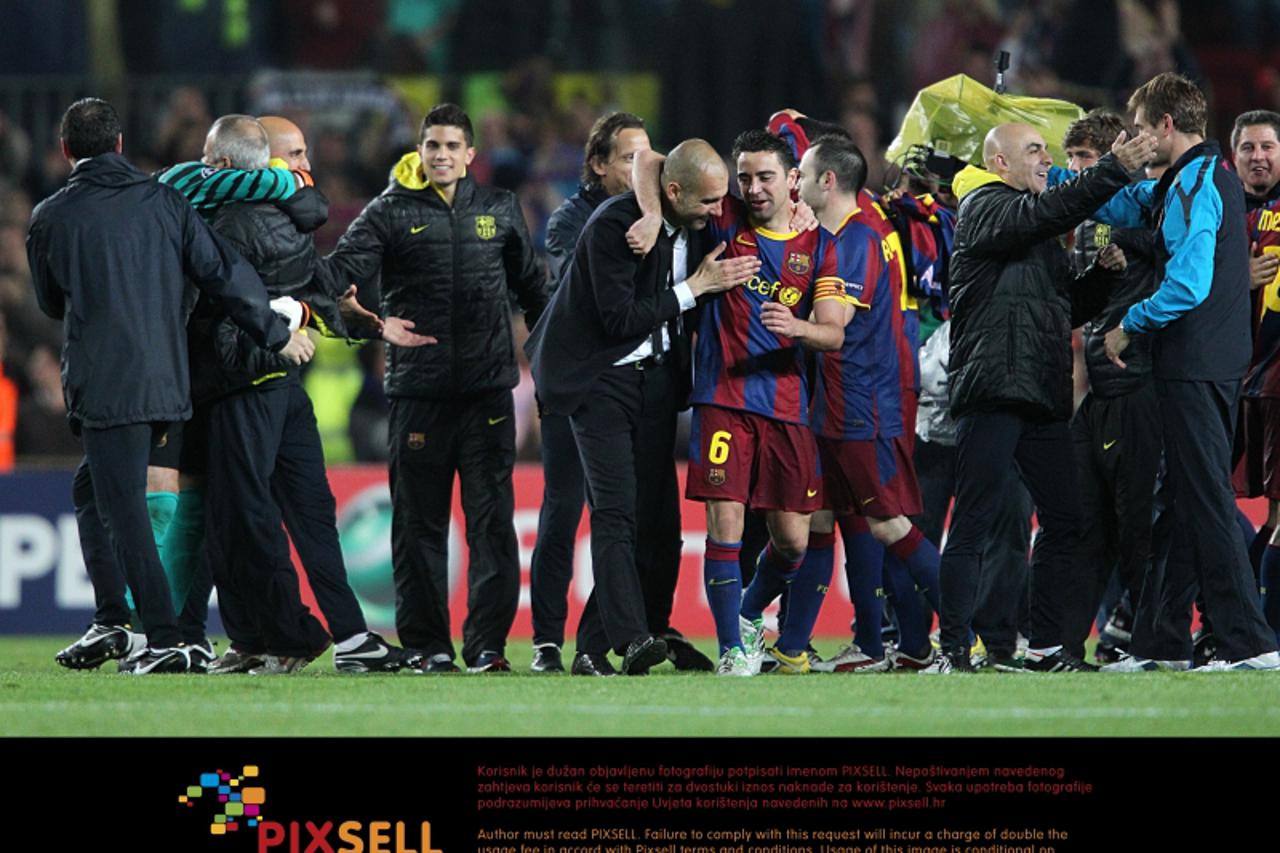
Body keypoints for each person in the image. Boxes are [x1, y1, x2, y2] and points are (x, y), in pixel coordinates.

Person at [28, 98, 308, 674]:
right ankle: (112, 620)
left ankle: (163, 639)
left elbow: (51, 302)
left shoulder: (53, 215)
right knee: (92, 491)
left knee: (123, 511)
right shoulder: (163, 199)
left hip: (107, 382)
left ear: (65, 149)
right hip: (169, 379)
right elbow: (222, 271)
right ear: (120, 143)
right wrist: (273, 331)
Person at [925, 120, 1157, 675]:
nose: (1046, 160)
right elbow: (1047, 211)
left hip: (1040, 391)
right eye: (1034, 151)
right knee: (974, 520)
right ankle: (952, 649)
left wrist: (1100, 280)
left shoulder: (1036, 229)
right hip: (995, 388)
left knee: (1067, 518)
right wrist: (1112, 170)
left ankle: (1045, 646)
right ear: (999, 163)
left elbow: (1060, 309)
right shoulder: (984, 206)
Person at [201, 115, 427, 674]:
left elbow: (304, 289)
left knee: (270, 518)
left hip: (263, 388)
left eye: (305, 152)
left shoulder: (245, 218)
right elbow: (301, 294)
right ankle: (307, 636)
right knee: (282, 520)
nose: (306, 164)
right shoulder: (258, 219)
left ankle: (311, 637)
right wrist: (312, 317)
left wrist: (366, 324)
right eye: (295, 153)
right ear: (263, 162)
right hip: (255, 389)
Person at [526, 139, 759, 676]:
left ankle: (608, 642)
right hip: (599, 380)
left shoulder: (681, 214)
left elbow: (653, 156)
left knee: (660, 523)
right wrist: (695, 288)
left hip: (655, 382)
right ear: (674, 192)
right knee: (616, 513)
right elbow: (618, 319)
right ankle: (632, 639)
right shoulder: (616, 227)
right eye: (708, 202)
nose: (717, 212)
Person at [331, 103, 547, 673]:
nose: (442, 155)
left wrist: (550, 365)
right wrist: (367, 322)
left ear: (470, 154)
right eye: (433, 146)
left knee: (492, 523)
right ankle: (428, 646)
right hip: (418, 394)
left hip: (487, 393)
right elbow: (336, 278)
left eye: (452, 146)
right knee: (418, 526)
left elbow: (534, 291)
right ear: (420, 152)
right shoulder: (390, 211)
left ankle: (487, 647)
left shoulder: (500, 209)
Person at [1098, 73, 1280, 670]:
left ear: (1166, 125)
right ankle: (1161, 642)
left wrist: (1130, 323)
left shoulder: (1197, 182)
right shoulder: (1188, 178)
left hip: (1195, 363)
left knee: (1204, 501)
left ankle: (1251, 641)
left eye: (1141, 128)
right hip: (1210, 361)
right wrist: (1102, 173)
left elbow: (1190, 283)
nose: (1136, 138)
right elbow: (1115, 204)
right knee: (1180, 503)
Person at [795, 134, 944, 674]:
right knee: (843, 517)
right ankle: (903, 645)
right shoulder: (858, 231)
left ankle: (963, 637)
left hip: (865, 400)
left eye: (802, 173)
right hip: (850, 398)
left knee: (888, 524)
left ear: (827, 180)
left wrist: (790, 323)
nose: (796, 182)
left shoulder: (854, 240)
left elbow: (834, 329)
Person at [1059, 110, 1163, 664]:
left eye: (1086, 157)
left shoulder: (1143, 205)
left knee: (1137, 523)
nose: (1076, 168)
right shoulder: (1081, 221)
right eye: (1071, 157)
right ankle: (1066, 642)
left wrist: (1126, 242)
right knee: (1087, 521)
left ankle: (1148, 638)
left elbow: (1166, 251)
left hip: (1137, 386)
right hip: (1099, 391)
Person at [1230, 109, 1280, 643]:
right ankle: (1241, 627)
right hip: (1223, 382)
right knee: (1206, 505)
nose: (1258, 156)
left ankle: (1258, 633)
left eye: (1267, 146)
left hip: (1273, 381)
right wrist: (1235, 280)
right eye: (1248, 147)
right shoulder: (1219, 209)